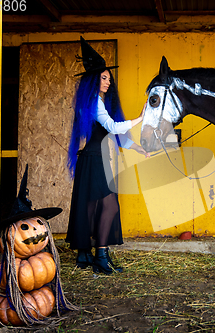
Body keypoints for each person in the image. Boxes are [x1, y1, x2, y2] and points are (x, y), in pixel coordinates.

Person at [66, 37, 149, 274]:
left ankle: (92, 255)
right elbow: (113, 128)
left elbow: (113, 135)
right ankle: (100, 256)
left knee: (94, 208)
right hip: (93, 159)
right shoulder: (93, 101)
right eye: (104, 77)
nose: (108, 82)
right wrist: (140, 118)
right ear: (94, 78)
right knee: (109, 206)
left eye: (109, 79)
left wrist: (137, 148)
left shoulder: (96, 101)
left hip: (95, 158)